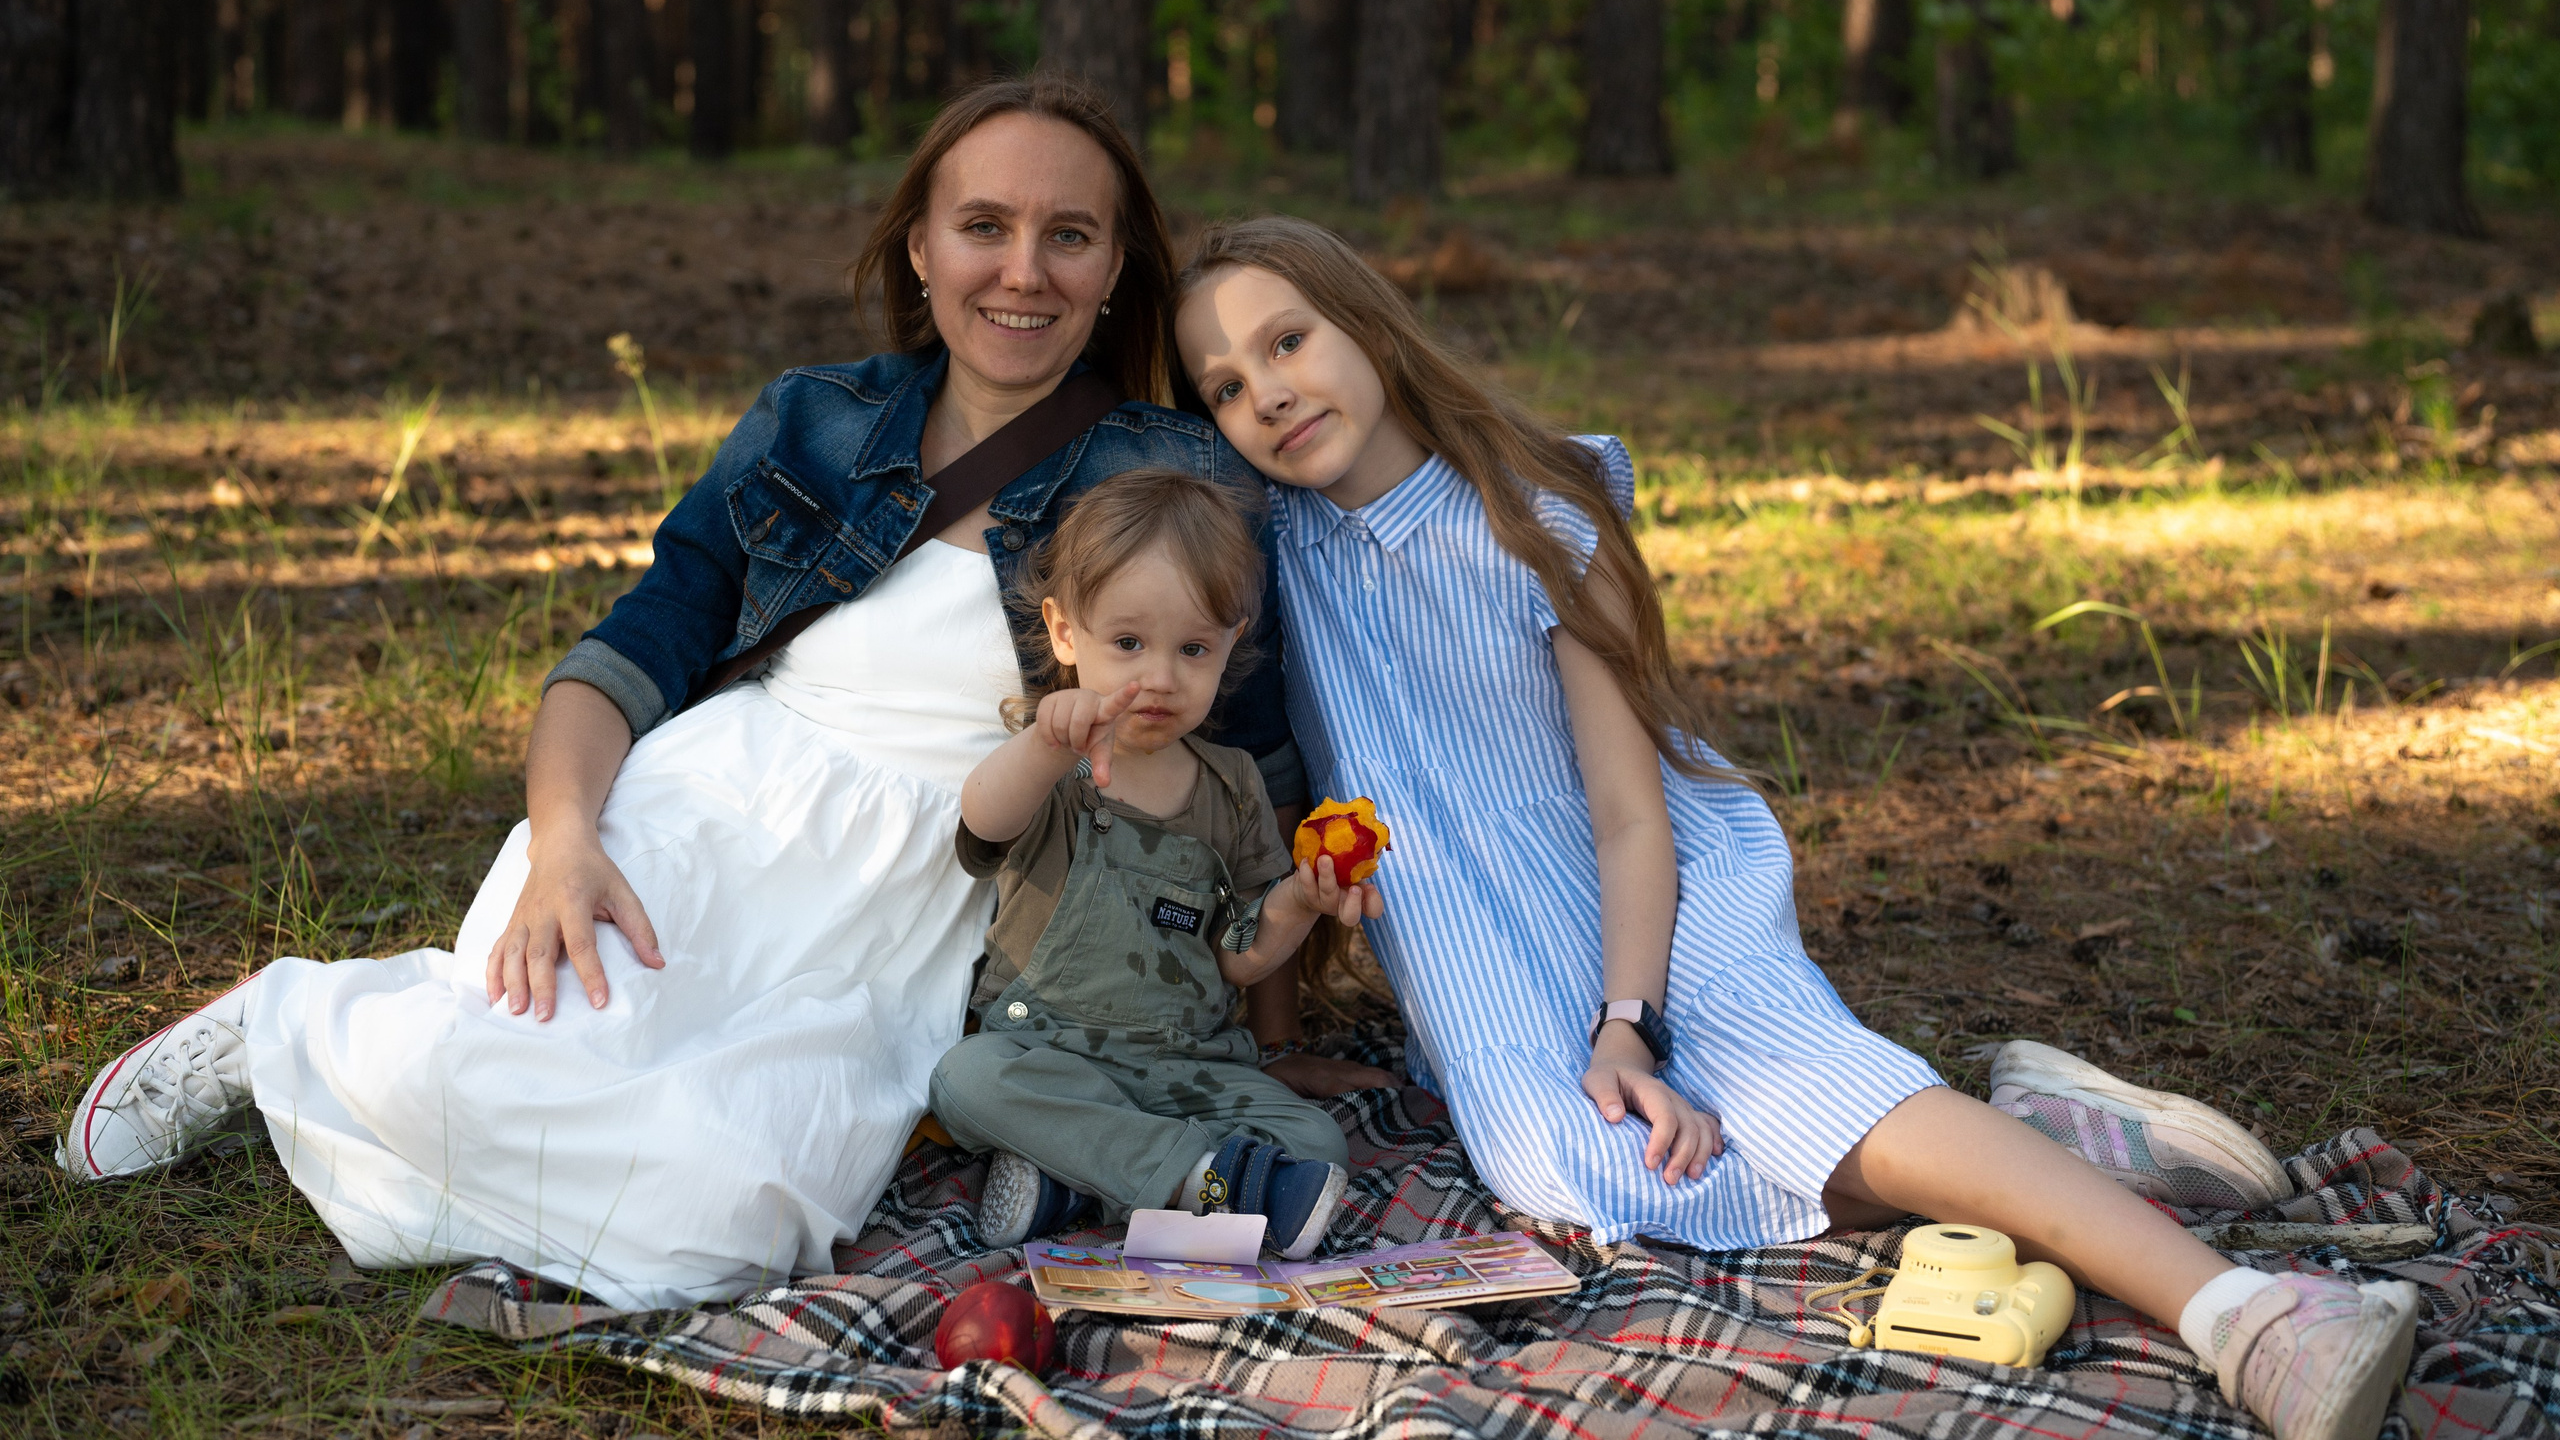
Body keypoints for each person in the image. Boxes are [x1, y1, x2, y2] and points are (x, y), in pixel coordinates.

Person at [54, 78, 1310, 1312]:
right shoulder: (815, 419)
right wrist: (563, 840)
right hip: (715, 817)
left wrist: (1265, 1009)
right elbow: (632, 646)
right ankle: (285, 1023)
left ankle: (391, 1093)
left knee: (733, 1211)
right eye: (984, 225)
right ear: (922, 247)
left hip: (931, 892)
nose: (1022, 270)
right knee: (474, 1056)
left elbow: (1234, 769)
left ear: (1113, 264)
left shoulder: (1173, 465)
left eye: (1067, 235)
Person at [1170, 215, 2421, 1440]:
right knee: (1578, 1169)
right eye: (1225, 386)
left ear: (1373, 330)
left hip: (1652, 895)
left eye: (1288, 342)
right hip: (1486, 950)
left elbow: (1627, 815)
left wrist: (1629, 1022)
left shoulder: (1532, 519)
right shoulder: (1270, 553)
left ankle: (2248, 1314)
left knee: (1791, 1092)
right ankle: (2032, 1133)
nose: (1267, 395)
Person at [928, 469, 1378, 1258]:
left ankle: (1074, 1183)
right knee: (967, 1079)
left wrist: (1301, 900)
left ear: (1231, 642)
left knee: (1315, 1138)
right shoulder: (1050, 763)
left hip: (1187, 1068)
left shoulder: (1232, 787)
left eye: (1192, 647)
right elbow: (981, 821)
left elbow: (1241, 958)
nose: (1160, 677)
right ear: (1067, 635)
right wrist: (1041, 742)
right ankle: (1198, 1184)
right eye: (1128, 642)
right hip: (1050, 1053)